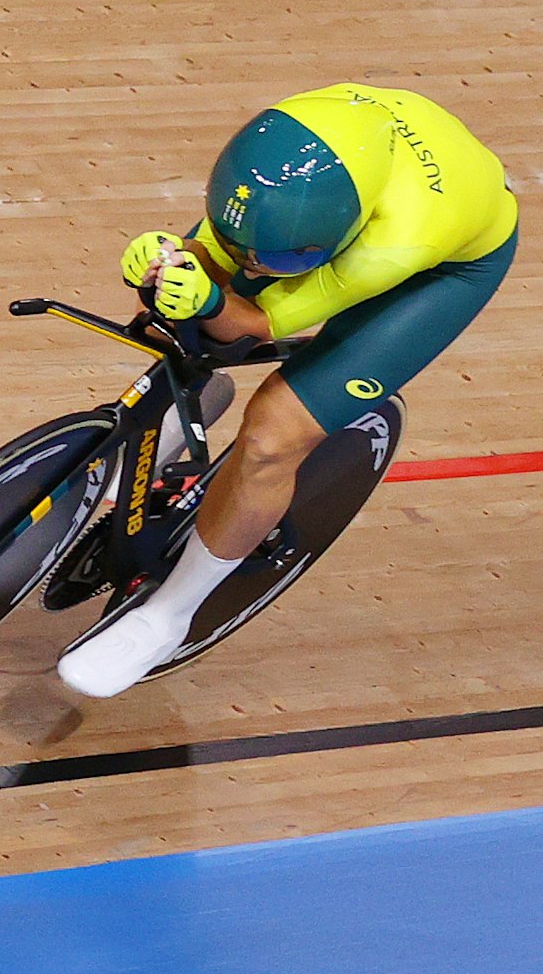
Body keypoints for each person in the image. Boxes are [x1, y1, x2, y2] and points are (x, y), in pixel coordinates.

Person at [61, 82, 516, 698]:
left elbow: (255, 323)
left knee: (274, 433)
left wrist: (218, 300)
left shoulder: (402, 240)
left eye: (270, 258)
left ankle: (169, 615)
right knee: (186, 311)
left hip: (443, 270)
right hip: (360, 191)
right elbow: (215, 256)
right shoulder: (275, 157)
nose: (254, 265)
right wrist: (171, 263)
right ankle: (194, 397)